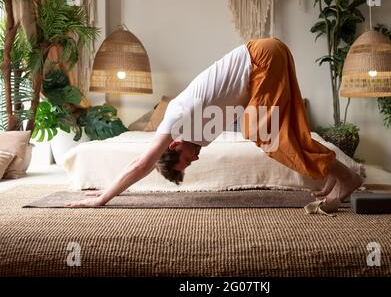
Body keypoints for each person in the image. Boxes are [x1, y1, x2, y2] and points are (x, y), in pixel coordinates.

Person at [65, 38, 362, 207]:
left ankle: (346, 176)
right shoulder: (201, 134)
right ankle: (333, 172)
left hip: (262, 57)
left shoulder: (176, 116)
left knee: (262, 134)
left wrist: (103, 197)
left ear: (175, 144)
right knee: (286, 130)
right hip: (268, 54)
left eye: (186, 160)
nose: (195, 158)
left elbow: (141, 164)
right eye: (190, 164)